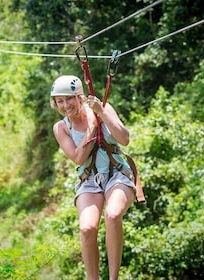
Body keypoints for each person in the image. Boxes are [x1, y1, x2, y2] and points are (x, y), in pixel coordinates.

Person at [50, 75, 137, 280]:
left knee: (113, 215)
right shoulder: (61, 127)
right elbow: (79, 158)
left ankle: (113, 278)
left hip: (117, 173)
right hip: (89, 179)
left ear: (80, 97)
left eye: (69, 99)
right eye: (60, 101)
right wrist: (91, 128)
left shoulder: (103, 107)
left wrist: (102, 115)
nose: (65, 105)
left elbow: (124, 139)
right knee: (87, 228)